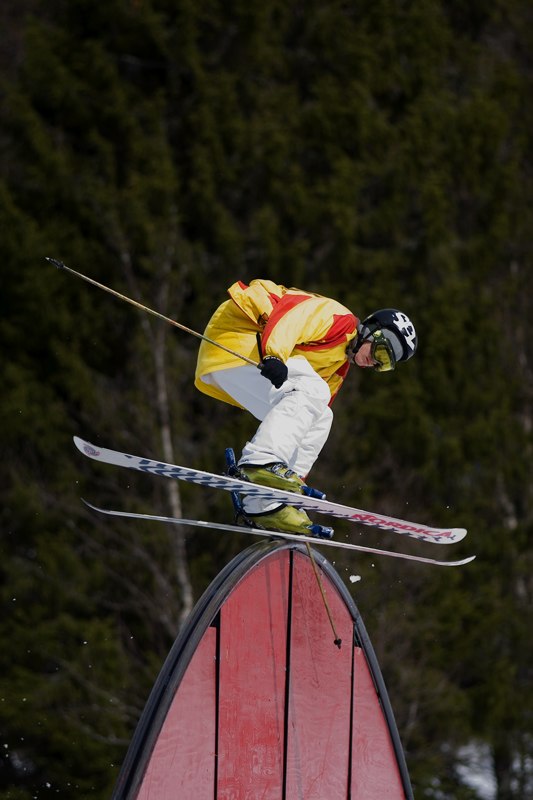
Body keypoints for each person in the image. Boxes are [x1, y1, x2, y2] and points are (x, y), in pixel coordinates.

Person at [195, 279, 417, 537]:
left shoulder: (338, 368)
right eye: (380, 353)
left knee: (323, 415)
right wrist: (274, 355)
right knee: (315, 391)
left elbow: (307, 422)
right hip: (236, 335)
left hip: (233, 363)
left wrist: (297, 485)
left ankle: (269, 501)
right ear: (372, 331)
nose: (375, 364)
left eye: (385, 365)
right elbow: (291, 316)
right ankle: (260, 461)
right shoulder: (341, 320)